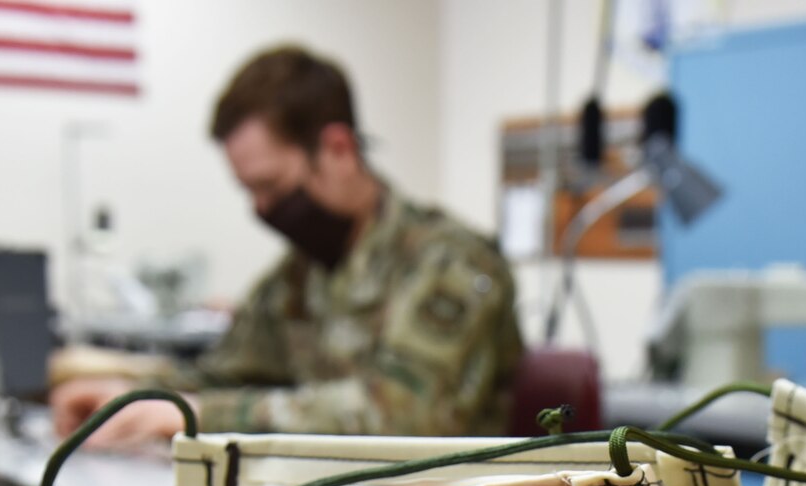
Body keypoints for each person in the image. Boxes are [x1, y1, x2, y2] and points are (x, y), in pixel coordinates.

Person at [53, 45, 523, 447]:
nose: (261, 209)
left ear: (338, 148)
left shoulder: (450, 262)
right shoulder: (302, 277)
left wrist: (203, 415)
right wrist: (138, 398)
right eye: (250, 192)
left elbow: (406, 416)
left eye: (273, 187)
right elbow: (226, 374)